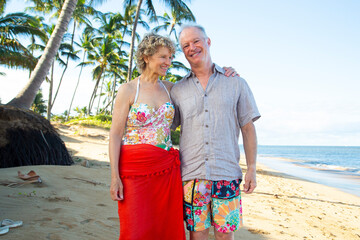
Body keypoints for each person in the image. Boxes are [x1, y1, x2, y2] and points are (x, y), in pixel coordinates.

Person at [170, 25, 261, 240]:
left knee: (224, 236)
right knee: (197, 234)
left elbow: (248, 128)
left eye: (196, 41)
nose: (192, 48)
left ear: (208, 41)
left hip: (227, 174)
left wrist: (252, 169)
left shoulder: (236, 82)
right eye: (186, 45)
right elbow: (166, 128)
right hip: (192, 177)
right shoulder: (177, 90)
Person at [109, 33, 185, 240]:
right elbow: (115, 135)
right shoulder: (128, 90)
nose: (168, 62)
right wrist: (115, 177)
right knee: (136, 229)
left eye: (170, 57)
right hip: (134, 170)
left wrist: (224, 72)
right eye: (163, 57)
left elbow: (199, 85)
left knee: (165, 227)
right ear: (146, 56)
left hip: (166, 170)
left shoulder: (171, 89)